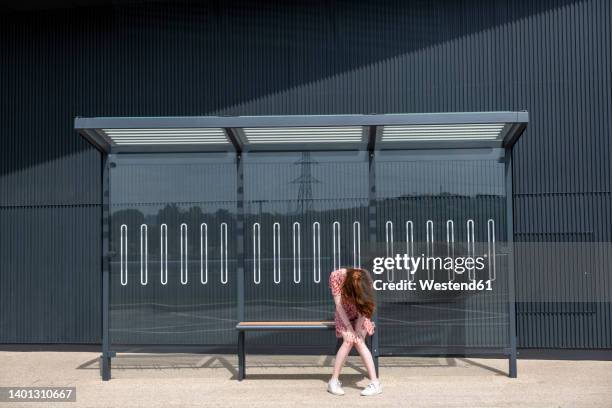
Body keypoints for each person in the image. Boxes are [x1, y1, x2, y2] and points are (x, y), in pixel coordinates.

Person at [327, 267, 382, 396]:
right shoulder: (336, 276)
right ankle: (333, 381)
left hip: (360, 313)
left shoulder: (365, 279)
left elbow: (364, 306)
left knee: (358, 340)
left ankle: (375, 383)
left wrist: (357, 328)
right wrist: (349, 327)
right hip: (343, 314)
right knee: (348, 340)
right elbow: (339, 306)